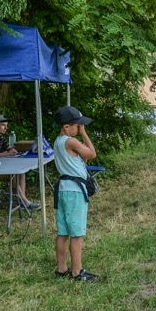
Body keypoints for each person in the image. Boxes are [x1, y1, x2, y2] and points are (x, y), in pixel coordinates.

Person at [53, 106, 98, 281]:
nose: (79, 128)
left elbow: (78, 162)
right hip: (74, 192)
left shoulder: (59, 141)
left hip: (64, 189)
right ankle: (77, 272)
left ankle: (61, 269)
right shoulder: (70, 141)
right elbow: (93, 153)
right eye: (77, 126)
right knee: (77, 233)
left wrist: (82, 154)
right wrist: (85, 135)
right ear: (66, 126)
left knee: (63, 232)